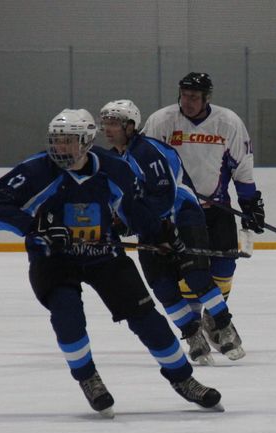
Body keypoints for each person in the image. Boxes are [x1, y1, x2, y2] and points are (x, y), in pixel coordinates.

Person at [0, 109, 222, 417]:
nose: (59, 148)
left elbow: (136, 212)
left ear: (85, 142)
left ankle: (184, 379)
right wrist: (35, 227)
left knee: (147, 318)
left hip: (103, 256)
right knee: (67, 314)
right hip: (53, 259)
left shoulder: (114, 170)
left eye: (67, 141)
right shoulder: (36, 171)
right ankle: (88, 378)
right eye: (55, 141)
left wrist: (163, 234)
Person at [100, 99, 243, 364]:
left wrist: (168, 231)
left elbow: (164, 193)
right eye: (105, 123)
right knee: (162, 286)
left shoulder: (147, 151)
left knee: (196, 275)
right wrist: (118, 225)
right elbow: (123, 201)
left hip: (182, 216)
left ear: (130, 126)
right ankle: (192, 335)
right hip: (153, 225)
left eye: (114, 123)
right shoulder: (116, 159)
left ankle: (224, 327)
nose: (107, 129)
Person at [142, 72, 264, 358]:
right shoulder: (161, 121)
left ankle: (212, 316)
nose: (188, 101)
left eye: (194, 97)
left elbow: (241, 166)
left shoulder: (228, 122)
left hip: (216, 207)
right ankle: (196, 326)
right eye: (184, 95)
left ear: (207, 98)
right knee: (189, 272)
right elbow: (146, 165)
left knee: (225, 268)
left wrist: (250, 205)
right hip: (179, 212)